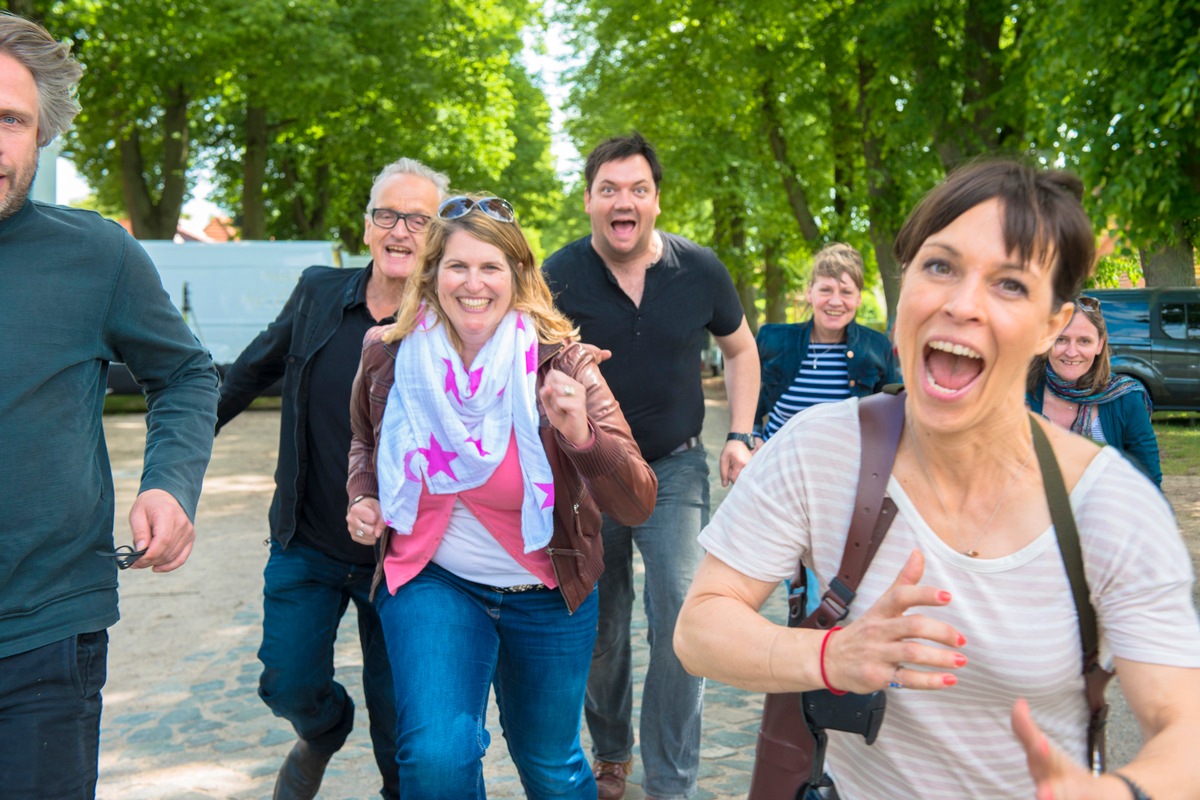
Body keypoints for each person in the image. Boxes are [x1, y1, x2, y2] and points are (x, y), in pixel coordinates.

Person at [675, 160, 1200, 799]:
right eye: (941, 266)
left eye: (1009, 284)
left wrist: (1123, 793)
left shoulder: (1113, 507)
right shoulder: (817, 450)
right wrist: (830, 657)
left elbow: (1184, 725)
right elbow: (701, 625)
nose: (961, 304)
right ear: (905, 287)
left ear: (1052, 327)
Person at [345, 194, 658, 798]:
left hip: (547, 589)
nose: (473, 283)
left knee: (550, 765)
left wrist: (579, 435)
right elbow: (364, 439)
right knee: (437, 757)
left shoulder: (561, 364)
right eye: (457, 266)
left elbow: (637, 502)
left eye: (491, 267)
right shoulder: (388, 352)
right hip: (434, 579)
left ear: (519, 276)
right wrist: (364, 495)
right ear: (432, 273)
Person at [0, 13, 220, 799]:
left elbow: (188, 373)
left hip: (44, 640)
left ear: (40, 134)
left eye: (11, 119)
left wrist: (169, 483)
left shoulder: (98, 256)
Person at [216, 159, 448, 799]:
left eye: (419, 220)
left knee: (402, 730)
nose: (401, 230)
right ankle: (323, 728)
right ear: (367, 226)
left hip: (403, 560)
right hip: (307, 543)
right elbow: (252, 369)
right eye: (387, 215)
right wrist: (183, 441)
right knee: (286, 681)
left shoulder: (448, 318)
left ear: (436, 238)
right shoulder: (319, 292)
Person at [543, 132, 761, 800]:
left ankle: (671, 779)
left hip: (676, 470)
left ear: (657, 201)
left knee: (680, 621)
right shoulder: (558, 275)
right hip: (589, 474)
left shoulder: (701, 270)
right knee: (601, 628)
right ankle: (611, 751)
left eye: (637, 188)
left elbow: (742, 351)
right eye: (609, 188)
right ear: (588, 201)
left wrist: (742, 434)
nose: (623, 200)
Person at [754, 242, 899, 444]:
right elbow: (748, 395)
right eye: (826, 290)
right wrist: (752, 436)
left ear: (858, 298)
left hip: (845, 471)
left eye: (846, 292)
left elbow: (891, 414)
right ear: (809, 292)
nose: (835, 301)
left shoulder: (876, 348)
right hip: (776, 469)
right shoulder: (774, 340)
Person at [1026, 298, 1162, 487]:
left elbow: (1150, 481)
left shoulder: (1126, 398)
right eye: (1061, 339)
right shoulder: (1018, 396)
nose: (1072, 352)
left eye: (1084, 341)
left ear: (1100, 344)